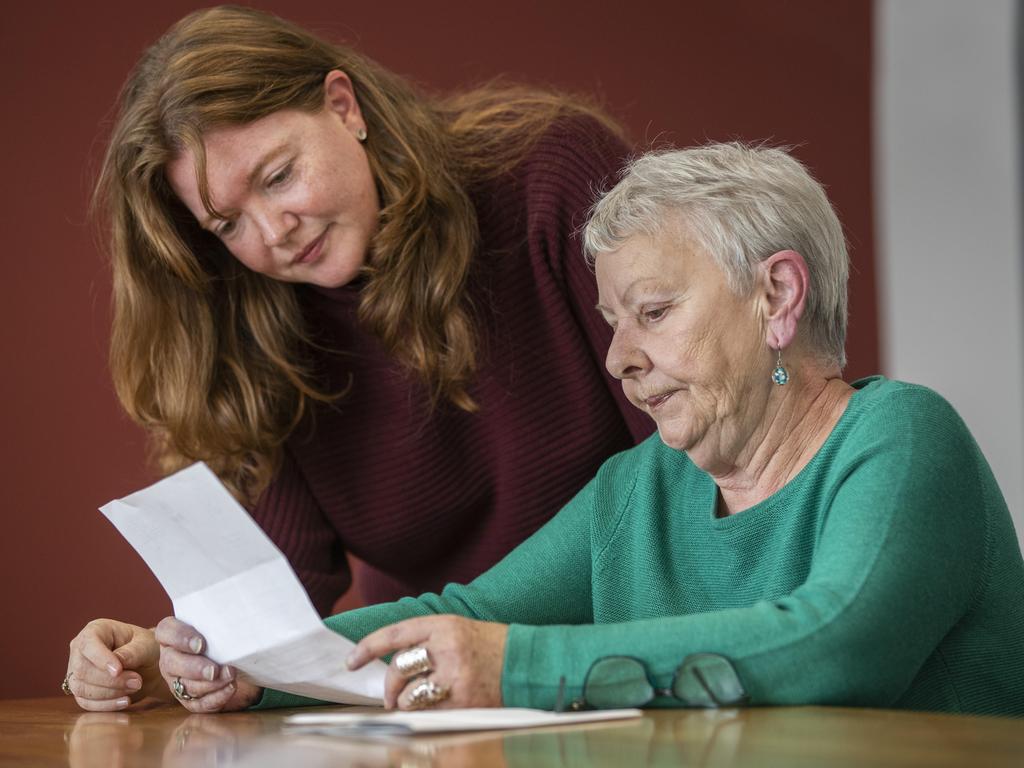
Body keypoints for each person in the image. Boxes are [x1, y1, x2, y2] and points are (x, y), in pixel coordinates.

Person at [149, 142, 1024, 716]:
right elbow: (467, 616)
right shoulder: (637, 488)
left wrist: (515, 667)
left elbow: (836, 648)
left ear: (778, 298)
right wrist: (241, 662)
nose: (617, 360)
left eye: (652, 311)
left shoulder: (903, 437)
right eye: (612, 323)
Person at [63, 5, 653, 711]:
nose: (274, 232)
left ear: (344, 107)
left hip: (636, 665)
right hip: (429, 708)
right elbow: (275, 632)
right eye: (227, 224)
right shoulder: (254, 333)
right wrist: (172, 660)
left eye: (279, 177)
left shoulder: (550, 178)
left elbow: (686, 466)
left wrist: (483, 624)